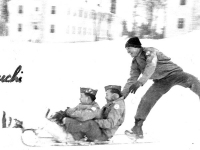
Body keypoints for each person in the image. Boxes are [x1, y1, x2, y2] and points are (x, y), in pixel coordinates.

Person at [122, 37, 200, 139]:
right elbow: (132, 79)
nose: (128, 51)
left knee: (194, 82)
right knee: (146, 100)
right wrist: (121, 96)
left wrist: (140, 82)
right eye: (126, 49)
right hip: (161, 81)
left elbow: (151, 66)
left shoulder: (149, 52)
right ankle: (137, 128)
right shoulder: (135, 62)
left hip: (175, 74)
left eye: (129, 48)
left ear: (136, 47)